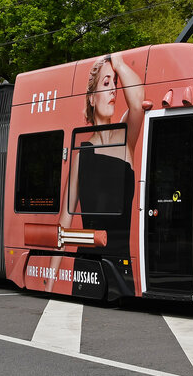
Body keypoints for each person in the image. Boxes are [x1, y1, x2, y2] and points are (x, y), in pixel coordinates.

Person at [60, 52, 145, 259]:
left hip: (121, 261)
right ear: (91, 98)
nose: (113, 89)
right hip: (89, 264)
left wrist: (119, 64)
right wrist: (51, 281)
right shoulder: (82, 156)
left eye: (115, 83)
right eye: (106, 83)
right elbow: (64, 223)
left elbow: (137, 103)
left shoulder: (125, 138)